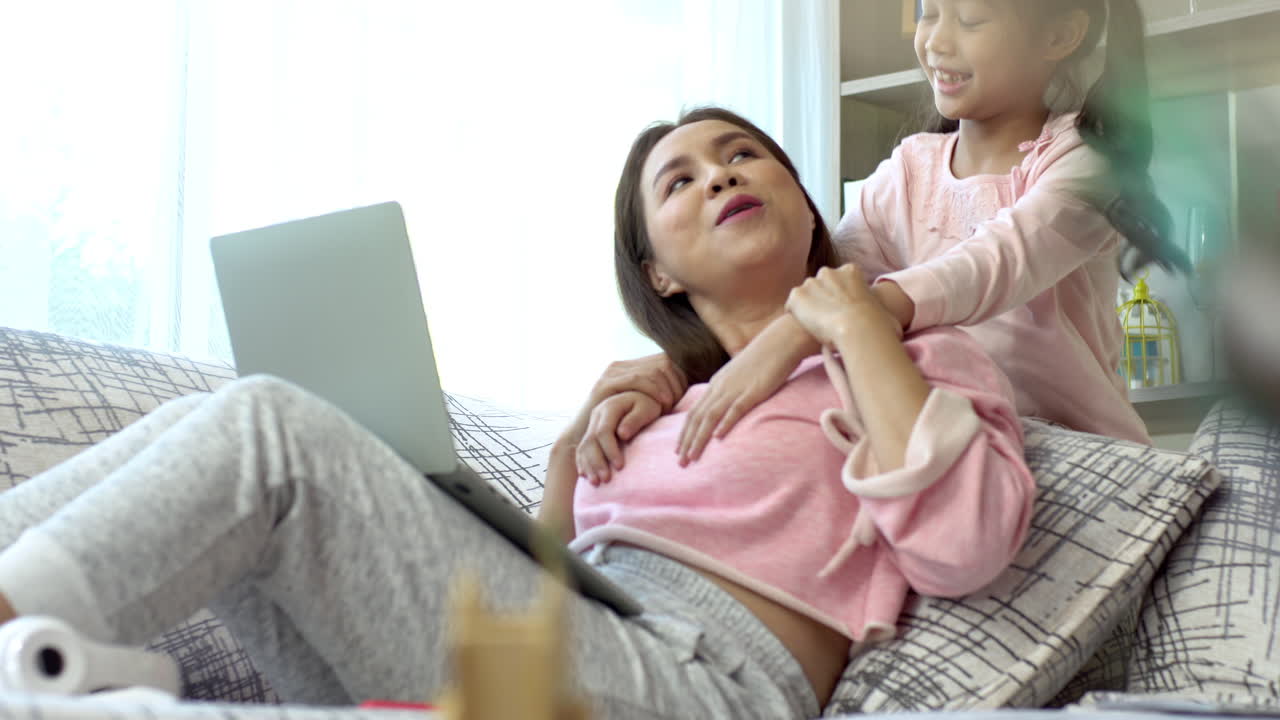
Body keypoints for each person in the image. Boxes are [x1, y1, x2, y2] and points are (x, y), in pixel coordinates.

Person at [0, 107, 1034, 718]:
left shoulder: (910, 350)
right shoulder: (656, 405)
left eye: (741, 156)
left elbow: (966, 544)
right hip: (562, 654)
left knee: (270, 426)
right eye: (678, 180)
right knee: (217, 440)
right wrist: (557, 477)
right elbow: (547, 597)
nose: (718, 172)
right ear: (657, 273)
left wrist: (850, 325)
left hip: (704, 685)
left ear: (805, 200)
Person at [575, 1, 1192, 486]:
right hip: (955, 448)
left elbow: (991, 265)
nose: (936, 40)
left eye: (970, 18)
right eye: (928, 11)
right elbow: (822, 279)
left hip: (1084, 459)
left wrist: (806, 328)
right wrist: (681, 365)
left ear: (1060, 37)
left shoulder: (1084, 162)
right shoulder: (905, 172)